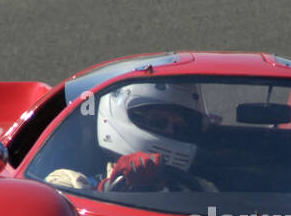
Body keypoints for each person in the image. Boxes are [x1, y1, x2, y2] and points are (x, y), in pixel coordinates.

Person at [45, 81, 215, 191]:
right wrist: (108, 188)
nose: (170, 132)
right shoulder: (67, 182)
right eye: (158, 122)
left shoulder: (203, 189)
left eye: (179, 128)